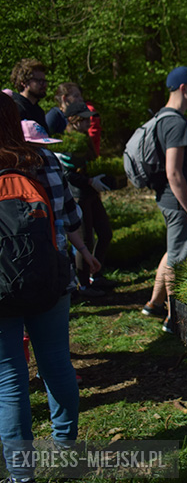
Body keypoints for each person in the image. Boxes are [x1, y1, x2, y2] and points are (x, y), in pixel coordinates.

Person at [0, 93, 99, 483]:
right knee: (56, 362)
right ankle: (67, 451)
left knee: (9, 378)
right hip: (50, 275)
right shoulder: (43, 160)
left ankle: (21, 475)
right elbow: (70, 215)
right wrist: (84, 253)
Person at [141, 66, 187, 333]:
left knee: (172, 251)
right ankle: (175, 318)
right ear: (184, 88)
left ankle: (153, 304)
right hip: (179, 203)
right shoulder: (177, 123)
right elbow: (173, 171)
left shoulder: (163, 118)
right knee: (179, 259)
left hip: (169, 200)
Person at [61, 101, 115, 296]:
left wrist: (101, 176)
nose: (88, 122)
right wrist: (89, 180)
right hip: (78, 196)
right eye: (84, 119)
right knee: (85, 241)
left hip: (92, 194)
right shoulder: (68, 141)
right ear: (74, 120)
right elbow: (67, 173)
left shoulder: (85, 139)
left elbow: (91, 164)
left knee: (105, 233)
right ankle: (83, 285)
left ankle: (96, 274)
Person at [10, 58, 49, 133]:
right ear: (24, 83)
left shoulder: (39, 111)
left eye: (44, 81)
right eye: (39, 81)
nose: (44, 85)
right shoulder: (15, 108)